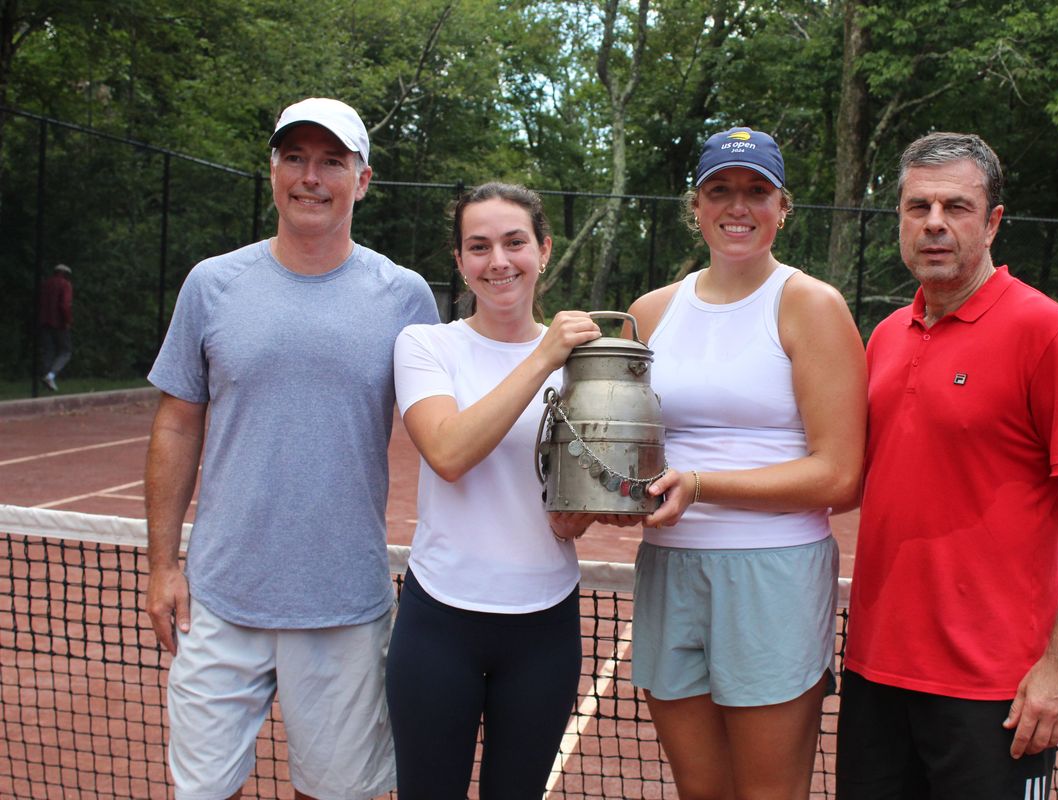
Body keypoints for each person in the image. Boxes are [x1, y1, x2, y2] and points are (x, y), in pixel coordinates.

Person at [143, 97, 439, 800]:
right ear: (272, 170)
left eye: (332, 161)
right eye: (295, 157)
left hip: (345, 605)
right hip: (216, 601)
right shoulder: (211, 285)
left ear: (362, 180)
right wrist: (161, 567)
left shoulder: (405, 297)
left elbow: (446, 435)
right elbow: (177, 423)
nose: (312, 176)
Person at [836, 132, 1058, 799]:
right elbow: (842, 479)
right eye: (918, 207)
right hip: (876, 678)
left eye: (956, 207)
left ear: (993, 220)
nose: (935, 223)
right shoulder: (883, 337)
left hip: (994, 691)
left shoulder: (1048, 334)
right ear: (901, 223)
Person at [624, 127, 868, 799]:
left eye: (757, 191)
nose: (739, 206)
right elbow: (626, 451)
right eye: (720, 191)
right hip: (669, 569)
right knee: (702, 792)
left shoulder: (812, 306)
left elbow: (842, 476)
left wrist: (700, 486)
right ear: (695, 207)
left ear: (783, 207)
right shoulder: (649, 313)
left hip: (773, 573)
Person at [386, 182, 635, 798]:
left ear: (544, 250)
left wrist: (585, 512)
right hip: (439, 620)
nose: (498, 261)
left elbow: (581, 488)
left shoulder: (584, 360)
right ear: (460, 262)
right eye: (479, 246)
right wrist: (543, 356)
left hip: (544, 625)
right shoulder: (426, 345)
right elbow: (448, 452)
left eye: (515, 242)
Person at [38, 263, 73, 391]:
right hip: (59, 323)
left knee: (48, 351)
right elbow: (65, 305)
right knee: (66, 351)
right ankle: (51, 375)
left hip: (44, 321)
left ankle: (46, 380)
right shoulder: (65, 284)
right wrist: (67, 320)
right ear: (65, 274)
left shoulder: (46, 284)